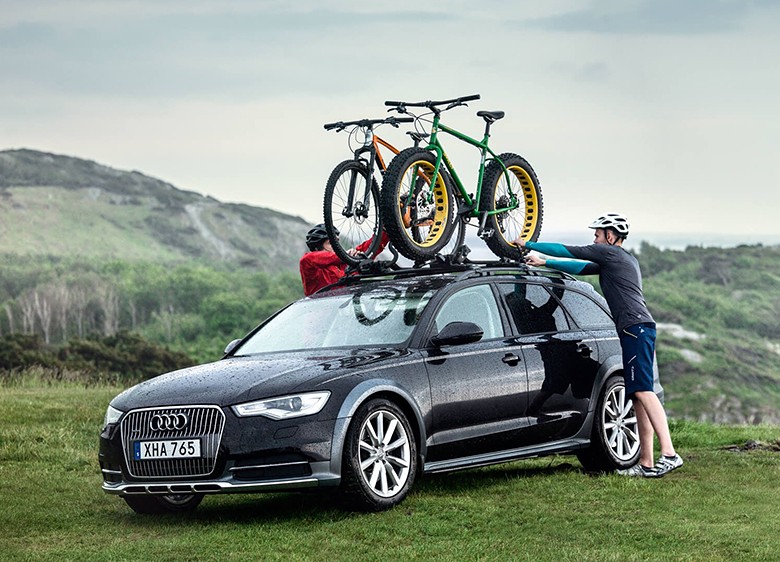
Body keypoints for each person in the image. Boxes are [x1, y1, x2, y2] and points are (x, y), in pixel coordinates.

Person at [514, 213, 683, 478]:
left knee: (644, 392)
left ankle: (670, 454)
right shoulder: (620, 259)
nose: (594, 239)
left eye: (597, 234)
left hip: (636, 329)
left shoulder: (610, 253)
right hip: (637, 329)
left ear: (610, 236)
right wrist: (544, 262)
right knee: (638, 395)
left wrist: (528, 243)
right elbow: (580, 268)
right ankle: (647, 462)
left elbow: (568, 250)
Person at [299, 224, 389, 296]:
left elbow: (368, 250)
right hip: (321, 310)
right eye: (331, 243)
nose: (336, 246)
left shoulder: (343, 265)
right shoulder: (310, 263)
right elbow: (307, 259)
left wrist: (386, 230)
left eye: (337, 242)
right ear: (317, 248)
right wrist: (344, 255)